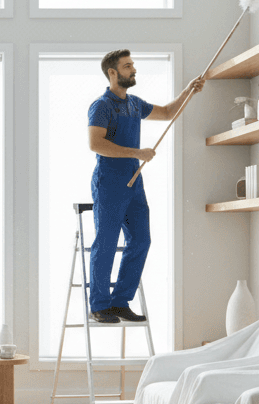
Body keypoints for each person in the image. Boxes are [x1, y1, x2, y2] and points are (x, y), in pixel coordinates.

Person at [87, 50, 205, 323]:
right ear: (113, 73)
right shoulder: (101, 106)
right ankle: (99, 305)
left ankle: (119, 302)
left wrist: (189, 91)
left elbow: (166, 112)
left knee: (141, 240)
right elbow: (96, 144)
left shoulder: (134, 104)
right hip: (110, 181)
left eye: (133, 65)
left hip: (134, 181)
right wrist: (136, 153)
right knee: (106, 242)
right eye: (127, 66)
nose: (134, 70)